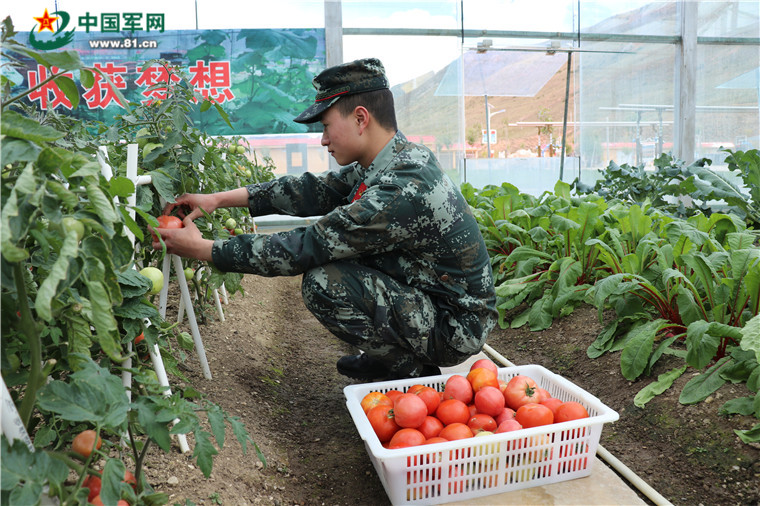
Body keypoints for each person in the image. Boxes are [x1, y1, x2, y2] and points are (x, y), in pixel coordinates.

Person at [152, 58, 497, 381]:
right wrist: (218, 199)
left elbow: (307, 246)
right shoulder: (394, 160)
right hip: (431, 297)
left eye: (327, 126)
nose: (323, 140)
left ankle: (410, 373)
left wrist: (205, 249)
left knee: (324, 283)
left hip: (454, 326)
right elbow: (313, 190)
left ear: (361, 119)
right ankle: (388, 358)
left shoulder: (401, 188)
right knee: (345, 258)